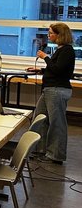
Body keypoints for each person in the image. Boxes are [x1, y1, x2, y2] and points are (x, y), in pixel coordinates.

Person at [29, 23, 75, 164]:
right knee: (40, 119)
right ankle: (39, 149)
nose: (48, 36)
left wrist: (45, 57)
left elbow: (58, 70)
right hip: (49, 89)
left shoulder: (67, 50)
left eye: (51, 33)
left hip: (57, 90)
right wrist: (40, 71)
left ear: (59, 35)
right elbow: (55, 69)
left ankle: (56, 155)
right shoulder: (60, 50)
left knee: (57, 123)